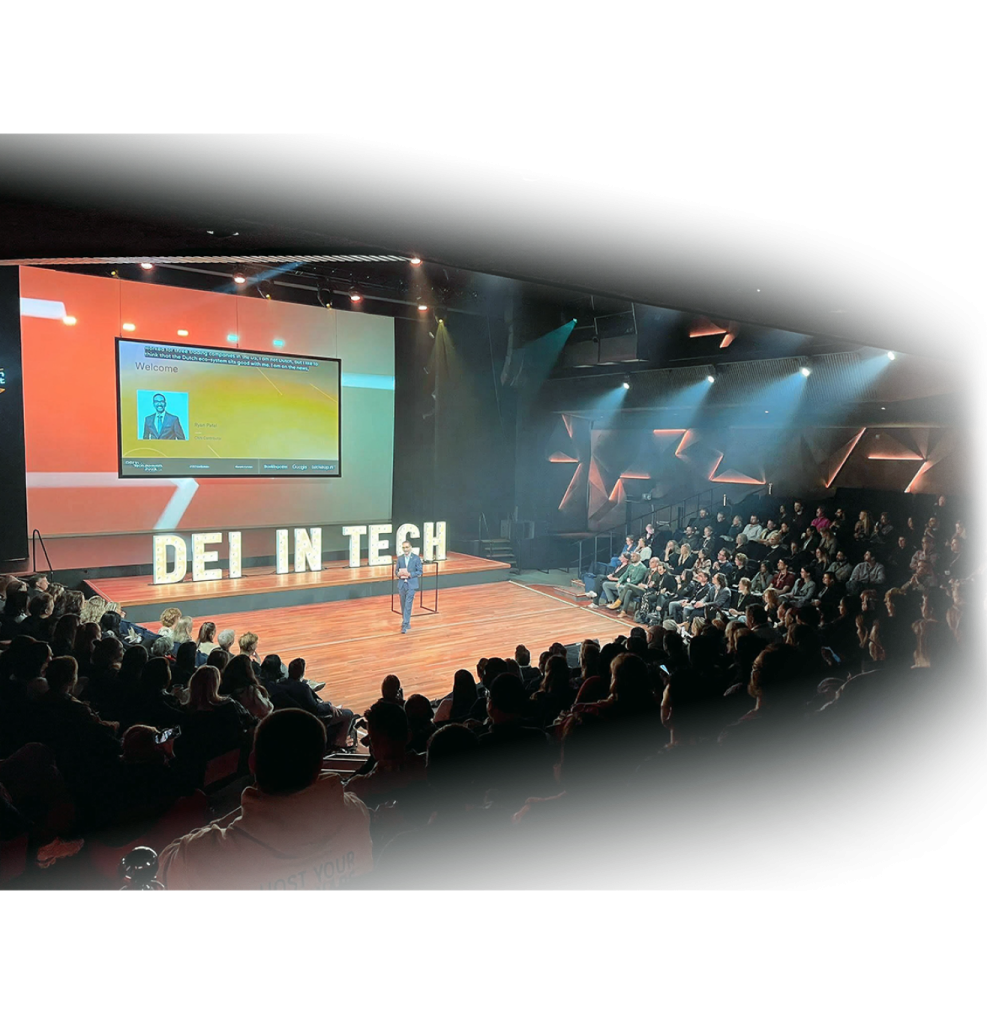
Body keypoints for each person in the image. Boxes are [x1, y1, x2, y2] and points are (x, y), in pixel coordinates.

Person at [157, 709, 373, 890]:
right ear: (320, 766)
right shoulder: (357, 816)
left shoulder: (199, 858)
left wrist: (241, 811)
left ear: (252, 764)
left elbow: (162, 869)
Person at [396, 540, 423, 634]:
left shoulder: (416, 558)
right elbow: (396, 571)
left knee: (408, 604)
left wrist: (410, 574)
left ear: (410, 548)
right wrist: (398, 574)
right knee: (403, 604)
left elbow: (420, 571)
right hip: (402, 584)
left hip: (411, 584)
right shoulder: (400, 558)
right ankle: (406, 621)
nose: (405, 549)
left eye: (407, 547)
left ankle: (405, 624)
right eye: (403, 548)